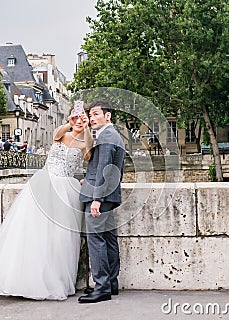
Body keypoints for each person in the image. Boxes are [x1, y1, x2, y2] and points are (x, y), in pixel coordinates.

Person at [0, 105, 93, 300]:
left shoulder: (85, 143)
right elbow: (57, 133)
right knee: (31, 232)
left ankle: (51, 280)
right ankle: (23, 279)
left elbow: (89, 151)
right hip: (43, 182)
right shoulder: (61, 134)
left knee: (58, 238)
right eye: (76, 118)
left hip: (65, 188)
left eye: (83, 119)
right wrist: (73, 120)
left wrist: (86, 126)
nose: (79, 122)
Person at [78, 101, 125, 304]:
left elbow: (105, 168)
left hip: (100, 197)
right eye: (91, 115)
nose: (92, 118)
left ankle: (102, 287)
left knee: (96, 240)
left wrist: (97, 198)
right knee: (108, 239)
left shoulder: (106, 136)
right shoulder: (112, 135)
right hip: (108, 195)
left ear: (108, 116)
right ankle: (111, 283)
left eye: (96, 114)